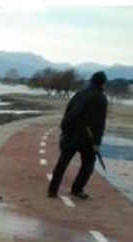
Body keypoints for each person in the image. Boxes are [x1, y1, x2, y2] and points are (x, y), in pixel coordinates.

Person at [47, 71, 109, 200]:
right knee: (87, 167)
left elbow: (69, 114)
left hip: (72, 136)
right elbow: (100, 123)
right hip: (89, 139)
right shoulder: (101, 99)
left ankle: (52, 190)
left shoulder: (79, 94)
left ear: (91, 81)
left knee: (62, 164)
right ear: (103, 84)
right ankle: (77, 189)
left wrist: (65, 132)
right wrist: (97, 142)